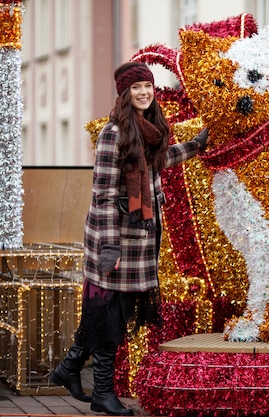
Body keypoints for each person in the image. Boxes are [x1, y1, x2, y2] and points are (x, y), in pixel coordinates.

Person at [50, 62, 209, 416]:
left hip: (140, 236)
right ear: (124, 94)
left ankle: (70, 366)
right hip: (116, 238)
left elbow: (160, 160)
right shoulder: (114, 132)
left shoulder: (148, 130)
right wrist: (110, 247)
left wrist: (196, 146)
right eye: (135, 88)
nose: (143, 92)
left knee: (108, 312)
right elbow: (103, 194)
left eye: (147, 86)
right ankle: (102, 393)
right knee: (110, 315)